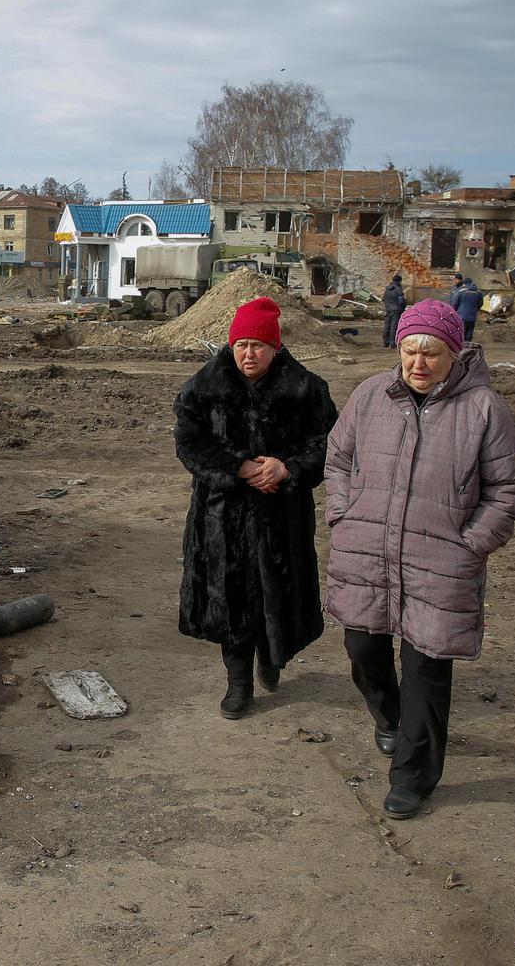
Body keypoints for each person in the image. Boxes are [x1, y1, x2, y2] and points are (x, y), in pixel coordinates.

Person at [323, 298, 515, 819]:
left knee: (426, 671)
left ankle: (414, 776)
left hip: (441, 563)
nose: (418, 362)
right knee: (363, 649)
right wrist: (342, 514)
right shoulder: (370, 395)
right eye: (410, 350)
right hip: (367, 551)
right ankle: (388, 717)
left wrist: (471, 544)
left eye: (431, 353)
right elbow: (339, 459)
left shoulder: (484, 409)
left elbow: (506, 489)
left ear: (454, 355)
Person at [174, 297, 338, 719]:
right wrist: (237, 467)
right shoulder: (202, 388)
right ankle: (238, 682)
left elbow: (330, 445)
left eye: (259, 345)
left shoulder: (308, 390)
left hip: (282, 515)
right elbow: (190, 444)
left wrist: (287, 469)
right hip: (221, 516)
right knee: (229, 598)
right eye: (242, 344)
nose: (249, 353)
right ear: (230, 345)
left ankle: (273, 656)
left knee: (280, 591)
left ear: (276, 348)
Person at [453, 278, 482, 344]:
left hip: (462, 315)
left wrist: (454, 312)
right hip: (473, 316)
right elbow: (480, 304)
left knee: (462, 331)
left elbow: (455, 303)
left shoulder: (461, 292)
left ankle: (460, 346)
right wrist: (475, 310)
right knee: (470, 332)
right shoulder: (479, 292)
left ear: (464, 284)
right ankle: (467, 346)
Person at [381, 274, 406, 349]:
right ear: (399, 281)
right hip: (396, 310)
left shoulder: (387, 289)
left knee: (387, 326)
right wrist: (403, 307)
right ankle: (392, 343)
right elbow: (401, 301)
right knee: (394, 327)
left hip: (388, 310)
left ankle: (386, 342)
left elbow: (384, 299)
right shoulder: (398, 289)